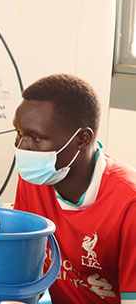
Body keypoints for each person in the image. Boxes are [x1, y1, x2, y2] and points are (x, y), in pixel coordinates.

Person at [12, 74, 136, 303]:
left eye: (36, 138)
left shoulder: (129, 205)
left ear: (82, 139)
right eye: (19, 133)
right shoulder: (34, 180)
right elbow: (25, 274)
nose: (22, 147)